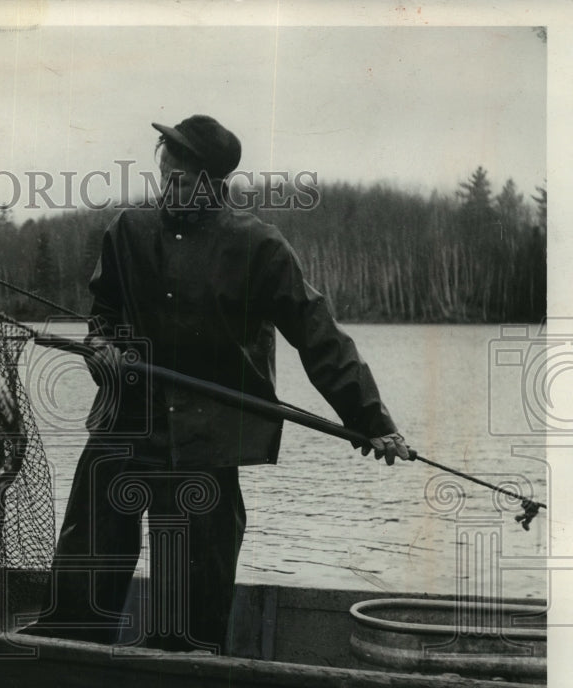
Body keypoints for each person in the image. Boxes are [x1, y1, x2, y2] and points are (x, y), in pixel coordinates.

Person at [25, 114, 410, 653]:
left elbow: (319, 337)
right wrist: (102, 351)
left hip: (209, 433)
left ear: (213, 183)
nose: (168, 190)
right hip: (127, 416)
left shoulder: (259, 246)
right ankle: (69, 646)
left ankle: (183, 662)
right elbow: (103, 315)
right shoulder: (128, 231)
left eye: (181, 181)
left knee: (191, 578)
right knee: (90, 538)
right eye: (164, 176)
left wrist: (371, 420)